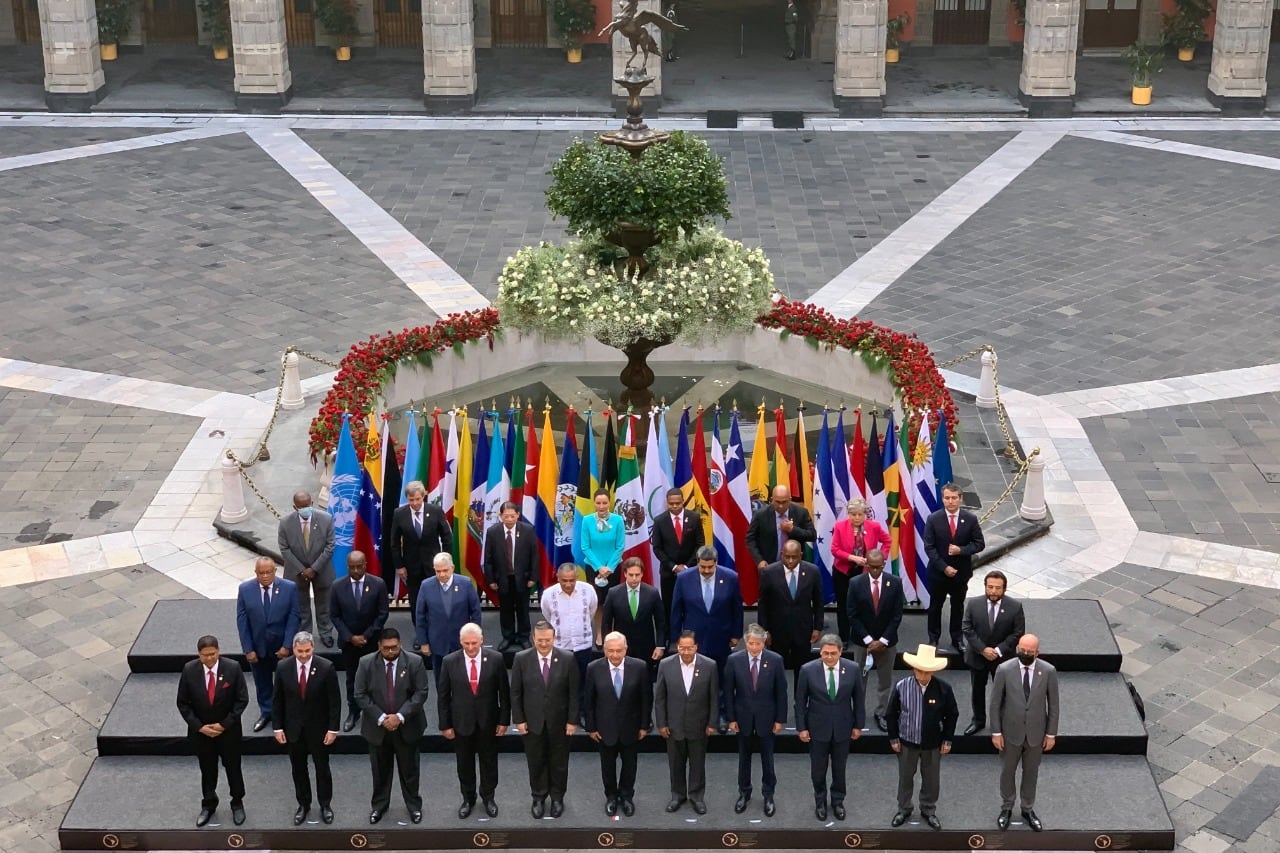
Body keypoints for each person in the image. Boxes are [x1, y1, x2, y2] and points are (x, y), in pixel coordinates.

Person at [353, 628, 429, 825]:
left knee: (410, 771)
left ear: (400, 644)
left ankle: (414, 807)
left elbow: (421, 693)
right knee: (380, 771)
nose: (390, 652)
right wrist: (382, 718)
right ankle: (379, 806)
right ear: (379, 646)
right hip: (377, 729)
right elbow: (360, 694)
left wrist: (400, 717)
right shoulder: (366, 663)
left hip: (407, 727)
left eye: (394, 647)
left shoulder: (414, 662)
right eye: (386, 648)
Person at [439, 623, 511, 819]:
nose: (470, 648)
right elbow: (443, 696)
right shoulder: (449, 661)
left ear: (481, 641)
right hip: (461, 723)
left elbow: (504, 693)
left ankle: (489, 797)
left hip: (489, 722)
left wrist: (504, 720)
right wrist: (445, 724)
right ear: (460, 642)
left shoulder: (496, 659)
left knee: (489, 762)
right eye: (466, 643)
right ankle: (468, 799)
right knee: (464, 763)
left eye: (474, 643)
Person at [510, 620, 580, 819]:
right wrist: (519, 720)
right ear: (533, 638)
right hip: (532, 723)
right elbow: (515, 692)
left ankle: (557, 798)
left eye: (547, 640)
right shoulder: (521, 659)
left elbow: (574, 693)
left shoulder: (567, 659)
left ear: (554, 638)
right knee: (536, 761)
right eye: (540, 640)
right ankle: (538, 797)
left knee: (559, 762)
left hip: (560, 723)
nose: (543, 644)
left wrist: (572, 720)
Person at [176, 635, 248, 827]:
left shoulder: (232, 668)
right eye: (204, 655)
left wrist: (224, 724)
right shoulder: (190, 670)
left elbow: (242, 700)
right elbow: (183, 703)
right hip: (202, 733)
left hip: (228, 732)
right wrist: (200, 727)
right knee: (207, 770)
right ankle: (208, 804)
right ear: (198, 654)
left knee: (233, 768)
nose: (209, 658)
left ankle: (237, 802)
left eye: (212, 654)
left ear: (219, 651)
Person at [270, 631, 341, 825]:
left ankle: (325, 804)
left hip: (319, 730)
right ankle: (303, 804)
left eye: (307, 651)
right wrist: (277, 727)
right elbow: (277, 701)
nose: (303, 655)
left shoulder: (326, 667)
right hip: (293, 730)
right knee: (298, 769)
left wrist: (333, 729)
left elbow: (334, 701)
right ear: (293, 649)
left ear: (313, 648)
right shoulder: (283, 667)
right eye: (299, 651)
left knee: (322, 769)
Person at [669, 545, 743, 730]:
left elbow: (737, 608)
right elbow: (677, 610)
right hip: (694, 639)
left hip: (721, 636)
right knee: (698, 679)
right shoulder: (684, 578)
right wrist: (676, 637)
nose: (707, 571)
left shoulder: (730, 577)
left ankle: (724, 716)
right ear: (698, 563)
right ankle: (702, 717)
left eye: (710, 567)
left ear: (716, 563)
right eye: (703, 567)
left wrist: (736, 633)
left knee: (723, 678)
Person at [990, 634, 1058, 832]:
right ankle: (1007, 807)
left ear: (1037, 652)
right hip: (1010, 732)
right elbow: (995, 704)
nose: (1026, 654)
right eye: (1023, 650)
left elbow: (1053, 705)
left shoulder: (1048, 671)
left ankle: (1027, 808)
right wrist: (996, 732)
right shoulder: (1004, 669)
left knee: (1031, 773)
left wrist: (1051, 734)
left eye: (1030, 652)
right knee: (1007, 771)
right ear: (1018, 648)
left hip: (1036, 733)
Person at [887, 644, 959, 831]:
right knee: (905, 778)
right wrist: (894, 738)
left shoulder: (943, 689)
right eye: (920, 671)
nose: (923, 675)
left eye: (927, 672)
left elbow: (952, 714)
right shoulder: (901, 686)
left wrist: (947, 739)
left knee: (931, 779)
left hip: (933, 744)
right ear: (914, 669)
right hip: (907, 742)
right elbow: (890, 714)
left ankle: (928, 810)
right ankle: (904, 809)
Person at [795, 634, 864, 822]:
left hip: (843, 727)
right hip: (817, 728)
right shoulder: (807, 670)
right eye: (825, 653)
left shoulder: (852, 669)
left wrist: (859, 725)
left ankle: (837, 801)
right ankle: (820, 801)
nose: (829, 657)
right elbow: (800, 701)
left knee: (839, 768)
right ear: (820, 653)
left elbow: (858, 699)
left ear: (841, 652)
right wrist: (801, 727)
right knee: (818, 769)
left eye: (833, 653)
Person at [584, 632, 652, 817]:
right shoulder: (593, 668)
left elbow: (646, 699)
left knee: (630, 766)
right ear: (605, 650)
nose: (615, 655)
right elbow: (588, 701)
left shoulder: (639, 667)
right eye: (611, 651)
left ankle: (627, 797)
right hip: (605, 730)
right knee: (607, 767)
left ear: (625, 649)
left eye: (618, 651)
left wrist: (644, 725)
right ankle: (611, 797)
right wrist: (591, 727)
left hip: (631, 728)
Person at [725, 623, 786, 817]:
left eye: (758, 643)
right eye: (750, 643)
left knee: (767, 759)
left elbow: (781, 693)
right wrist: (731, 718)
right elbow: (728, 692)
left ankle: (768, 794)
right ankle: (744, 793)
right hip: (742, 718)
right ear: (745, 642)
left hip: (767, 719)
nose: (754, 647)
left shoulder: (775, 660)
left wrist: (780, 720)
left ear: (764, 642)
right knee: (744, 759)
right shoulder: (734, 660)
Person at [654, 630, 718, 814]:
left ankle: (696, 797)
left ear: (696, 647)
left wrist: (712, 723)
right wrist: (661, 723)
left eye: (690, 648)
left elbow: (714, 697)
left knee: (698, 764)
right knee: (675, 763)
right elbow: (660, 698)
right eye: (682, 647)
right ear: (677, 646)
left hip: (699, 725)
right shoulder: (666, 665)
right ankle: (677, 795)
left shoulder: (709, 666)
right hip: (673, 726)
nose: (686, 651)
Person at [235, 557, 299, 732]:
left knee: (285, 682)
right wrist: (248, 649)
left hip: (282, 648)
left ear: (274, 571)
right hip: (258, 647)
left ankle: (284, 714)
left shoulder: (289, 588)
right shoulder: (245, 589)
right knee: (262, 683)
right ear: (255, 573)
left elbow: (294, 618)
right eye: (261, 573)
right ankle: (266, 712)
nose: (264, 576)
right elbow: (242, 621)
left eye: (268, 572)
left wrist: (287, 646)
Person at [329, 550, 389, 733]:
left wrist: (367, 635)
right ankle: (353, 712)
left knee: (376, 677)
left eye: (359, 566)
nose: (355, 570)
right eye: (351, 567)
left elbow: (382, 614)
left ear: (365, 565)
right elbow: (335, 615)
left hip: (371, 641)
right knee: (351, 679)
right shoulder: (337, 586)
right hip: (349, 643)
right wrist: (350, 637)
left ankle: (376, 713)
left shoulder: (378, 584)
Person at [961, 570, 1025, 735]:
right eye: (990, 587)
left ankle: (1002, 723)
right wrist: (982, 649)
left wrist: (997, 650)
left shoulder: (1015, 607)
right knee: (977, 691)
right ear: (985, 587)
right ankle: (978, 721)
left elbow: (1018, 633)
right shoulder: (973, 604)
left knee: (1003, 692)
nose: (993, 591)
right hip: (977, 657)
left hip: (1002, 660)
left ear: (1004, 588)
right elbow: (967, 628)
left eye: (998, 588)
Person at [846, 549, 904, 732]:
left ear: (884, 565)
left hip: (887, 642)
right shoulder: (855, 583)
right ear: (866, 565)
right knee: (859, 680)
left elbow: (897, 615)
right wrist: (869, 640)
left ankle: (881, 713)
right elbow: (852, 614)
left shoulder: (895, 583)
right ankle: (858, 714)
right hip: (863, 642)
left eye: (879, 567)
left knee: (884, 680)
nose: (875, 571)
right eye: (872, 567)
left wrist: (883, 640)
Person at [923, 483, 986, 652]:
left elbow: (979, 544)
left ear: (960, 498)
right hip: (938, 573)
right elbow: (929, 547)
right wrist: (944, 568)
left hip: (960, 573)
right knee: (935, 606)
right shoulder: (933, 519)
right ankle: (933, 639)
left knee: (957, 607)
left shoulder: (970, 519)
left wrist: (962, 550)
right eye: (946, 498)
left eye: (953, 498)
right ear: (942, 499)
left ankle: (957, 639)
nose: (950, 502)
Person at [757, 539, 824, 688]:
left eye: (794, 557)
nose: (790, 560)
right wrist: (764, 631)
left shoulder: (812, 571)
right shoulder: (769, 572)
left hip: (803, 629)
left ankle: (799, 705)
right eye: (786, 556)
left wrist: (817, 627)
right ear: (782, 554)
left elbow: (819, 601)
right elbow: (763, 604)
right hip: (777, 630)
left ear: (801, 555)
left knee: (802, 671)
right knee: (775, 670)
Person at [388, 480, 452, 624]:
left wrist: (446, 561)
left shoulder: (435, 511)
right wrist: (399, 565)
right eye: (411, 500)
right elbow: (394, 542)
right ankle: (420, 633)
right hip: (412, 566)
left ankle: (436, 629)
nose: (415, 503)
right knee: (416, 601)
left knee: (436, 599)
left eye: (418, 499)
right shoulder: (399, 514)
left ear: (423, 496)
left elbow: (447, 537)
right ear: (407, 499)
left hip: (435, 566)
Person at [277, 490, 336, 648]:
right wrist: (302, 569)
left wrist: (314, 568)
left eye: (307, 505)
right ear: (295, 507)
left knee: (324, 604)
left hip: (322, 570)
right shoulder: (285, 523)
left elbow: (330, 546)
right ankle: (305, 636)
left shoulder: (326, 519)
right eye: (301, 507)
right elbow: (284, 549)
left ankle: (325, 633)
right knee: (300, 605)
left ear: (312, 503)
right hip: (296, 573)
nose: (305, 509)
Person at [415, 552, 482, 686]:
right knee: (441, 682)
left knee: (463, 681)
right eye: (438, 571)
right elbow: (420, 615)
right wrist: (423, 642)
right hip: (438, 642)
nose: (442, 575)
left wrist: (474, 638)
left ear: (452, 568)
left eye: (445, 570)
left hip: (461, 643)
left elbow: (475, 612)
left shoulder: (466, 583)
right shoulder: (426, 585)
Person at [540, 562, 599, 716]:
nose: (568, 584)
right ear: (558, 578)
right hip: (560, 646)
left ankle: (582, 712)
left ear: (577, 577)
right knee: (560, 682)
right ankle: (563, 713)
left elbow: (591, 612)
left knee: (583, 680)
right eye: (564, 580)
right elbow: (547, 615)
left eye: (571, 580)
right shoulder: (548, 594)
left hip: (582, 645)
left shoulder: (588, 590)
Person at [830, 499, 891, 643]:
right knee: (844, 605)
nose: (857, 518)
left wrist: (879, 558)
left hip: (864, 573)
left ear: (865, 515)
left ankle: (864, 637)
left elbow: (887, 541)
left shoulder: (874, 527)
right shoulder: (840, 526)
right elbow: (834, 549)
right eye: (853, 514)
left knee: (864, 605)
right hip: (843, 572)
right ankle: (844, 637)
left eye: (860, 514)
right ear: (848, 514)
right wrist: (852, 558)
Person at [483, 501, 538, 651]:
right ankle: (508, 637)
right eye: (506, 516)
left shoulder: (527, 530)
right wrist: (491, 580)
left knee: (523, 610)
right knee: (505, 610)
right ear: (500, 516)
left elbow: (534, 555)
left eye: (512, 516)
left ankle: (523, 637)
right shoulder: (493, 532)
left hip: (522, 578)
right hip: (502, 579)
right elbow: (488, 558)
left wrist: (533, 577)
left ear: (518, 516)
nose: (509, 519)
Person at [601, 557, 666, 678]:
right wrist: (607, 647)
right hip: (621, 648)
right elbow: (606, 623)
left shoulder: (652, 593)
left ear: (642, 574)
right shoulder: (613, 593)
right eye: (631, 575)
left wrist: (660, 646)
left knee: (645, 684)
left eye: (637, 575)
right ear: (625, 573)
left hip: (646, 648)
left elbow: (661, 622)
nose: (634, 578)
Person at [650, 487, 704, 624]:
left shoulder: (694, 518)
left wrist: (687, 566)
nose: (674, 506)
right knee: (669, 606)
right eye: (671, 503)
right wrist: (673, 567)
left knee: (690, 605)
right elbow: (657, 548)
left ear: (683, 501)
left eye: (678, 503)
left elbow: (700, 544)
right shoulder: (659, 521)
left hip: (690, 571)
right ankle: (669, 637)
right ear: (666, 503)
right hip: (669, 573)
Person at [745, 486, 816, 573]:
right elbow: (750, 539)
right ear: (772, 499)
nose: (781, 506)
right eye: (777, 502)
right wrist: (759, 560)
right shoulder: (761, 515)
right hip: (769, 566)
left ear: (790, 499)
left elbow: (812, 535)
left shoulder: (801, 512)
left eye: (784, 502)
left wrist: (793, 530)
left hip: (795, 566)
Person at [578, 488, 624, 608]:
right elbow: (585, 547)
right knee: (594, 603)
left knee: (613, 603)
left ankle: (612, 627)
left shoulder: (618, 520)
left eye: (604, 503)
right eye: (598, 503)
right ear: (594, 503)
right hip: (593, 568)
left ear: (610, 503)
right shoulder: (587, 520)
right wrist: (599, 567)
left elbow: (620, 547)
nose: (601, 506)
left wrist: (609, 567)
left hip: (613, 568)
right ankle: (596, 627)